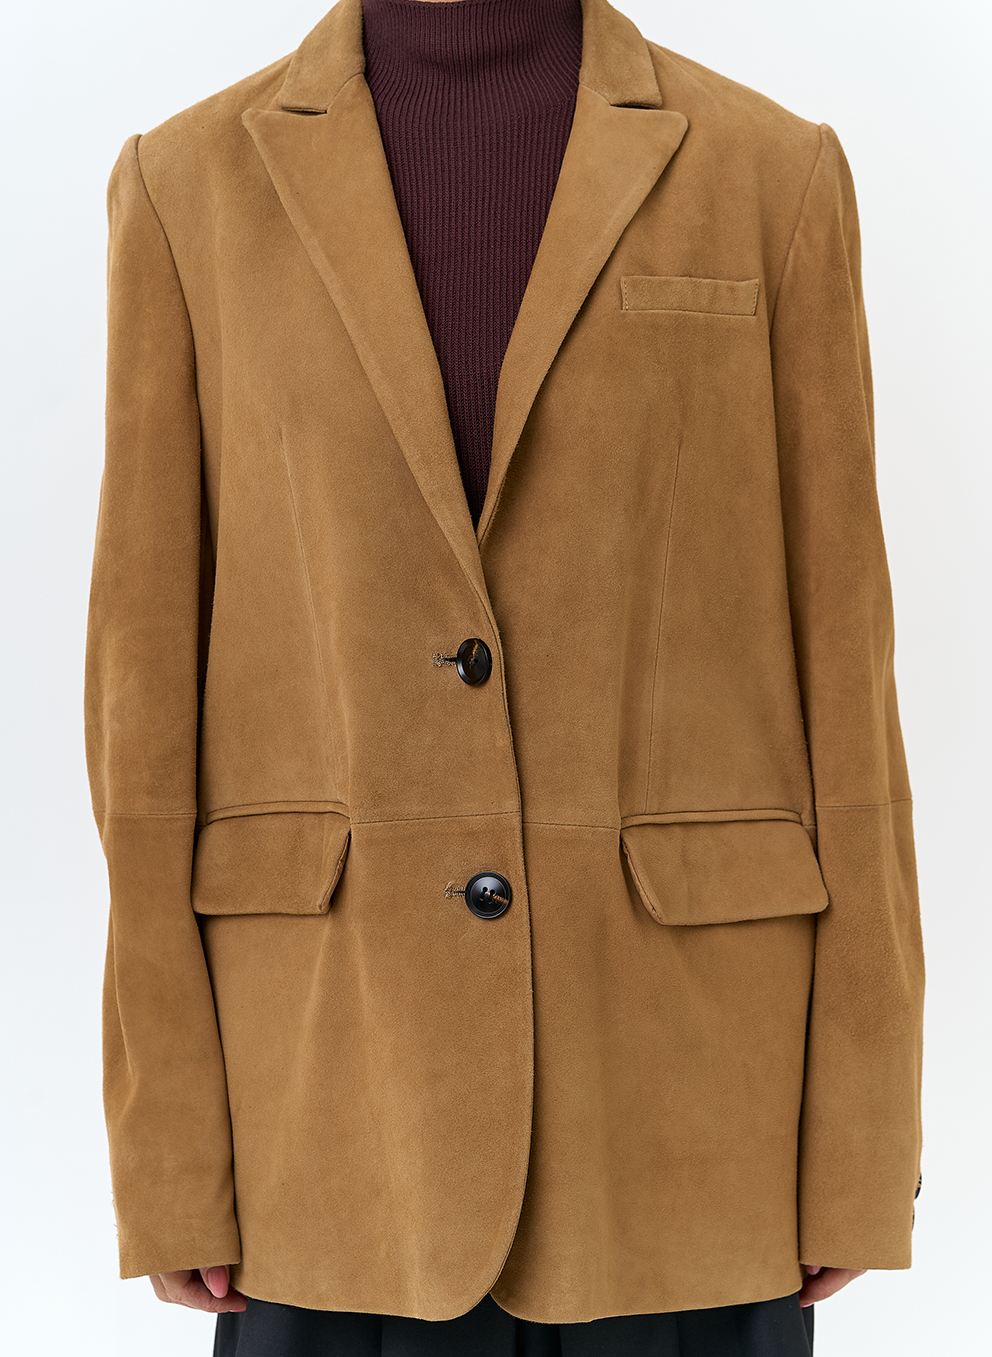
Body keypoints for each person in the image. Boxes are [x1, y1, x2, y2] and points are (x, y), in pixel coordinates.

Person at [84, 0, 925, 1352]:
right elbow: (143, 706)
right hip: (329, 1109)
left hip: (690, 1108)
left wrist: (862, 1142)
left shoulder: (770, 173)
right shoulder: (188, 188)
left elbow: (849, 671)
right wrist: (168, 1151)